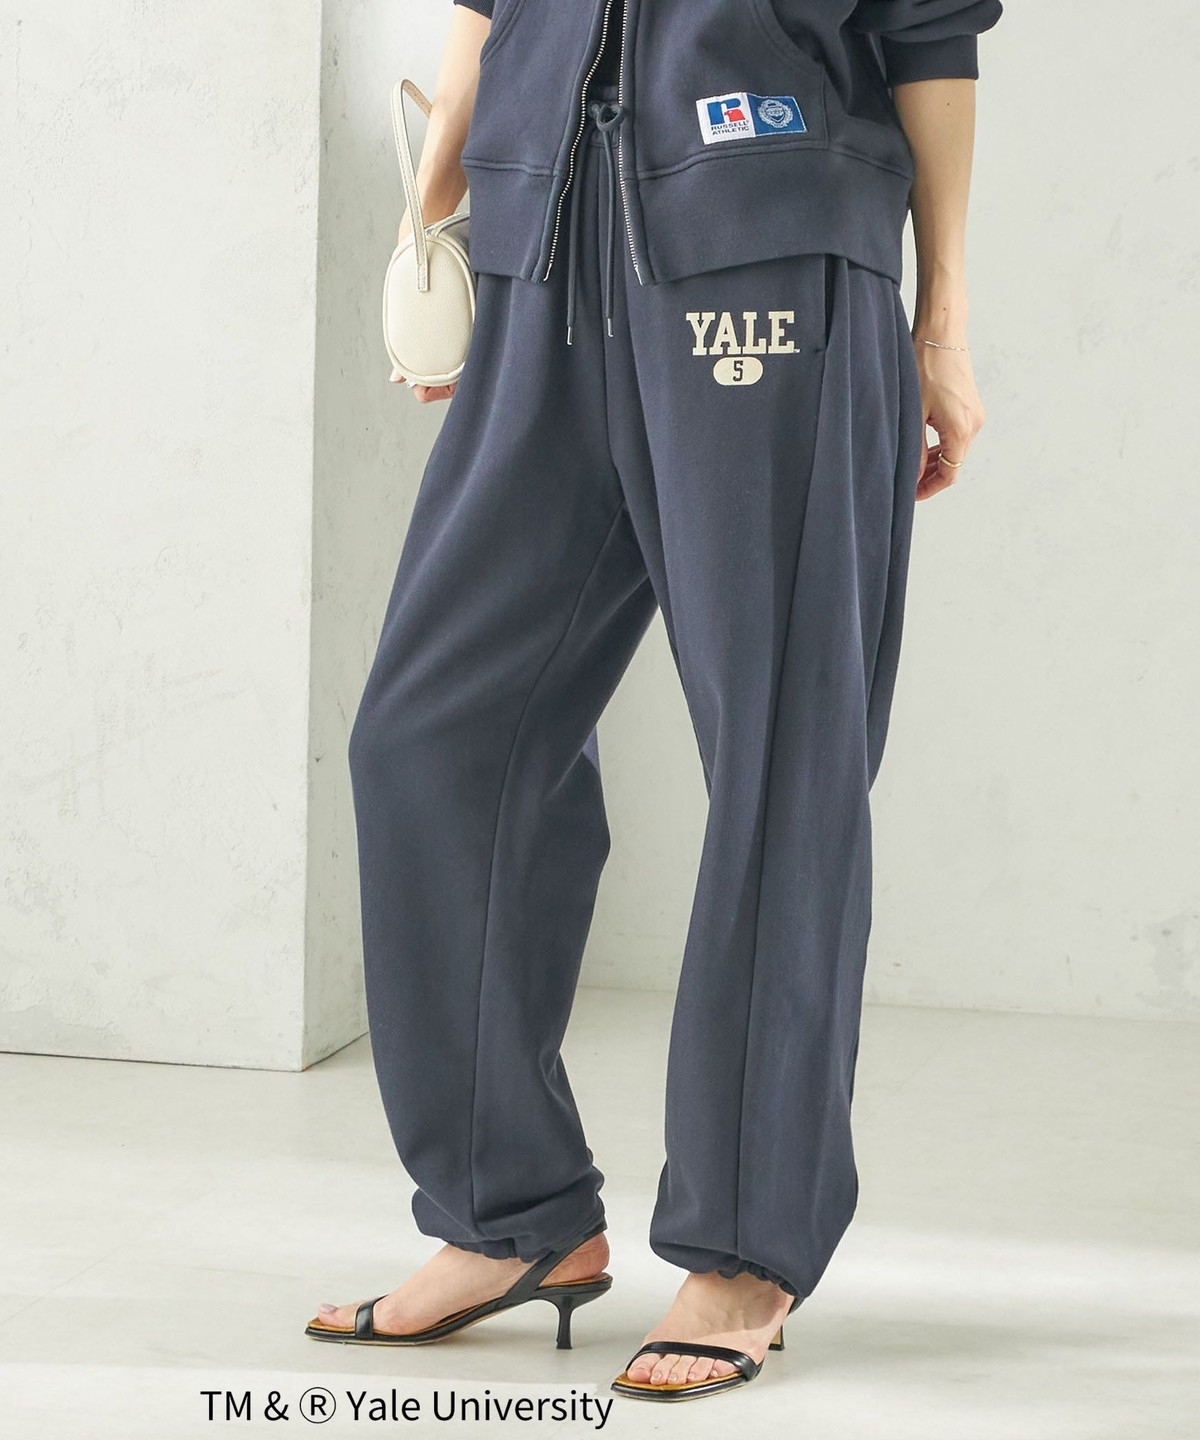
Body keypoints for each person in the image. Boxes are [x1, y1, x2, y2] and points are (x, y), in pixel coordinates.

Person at [306, 0, 1001, 1404]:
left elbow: (931, 38)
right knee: (428, 738)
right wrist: (429, 222)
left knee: (781, 755)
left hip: (770, 245)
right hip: (540, 260)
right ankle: (509, 1210)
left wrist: (942, 324)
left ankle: (745, 1250)